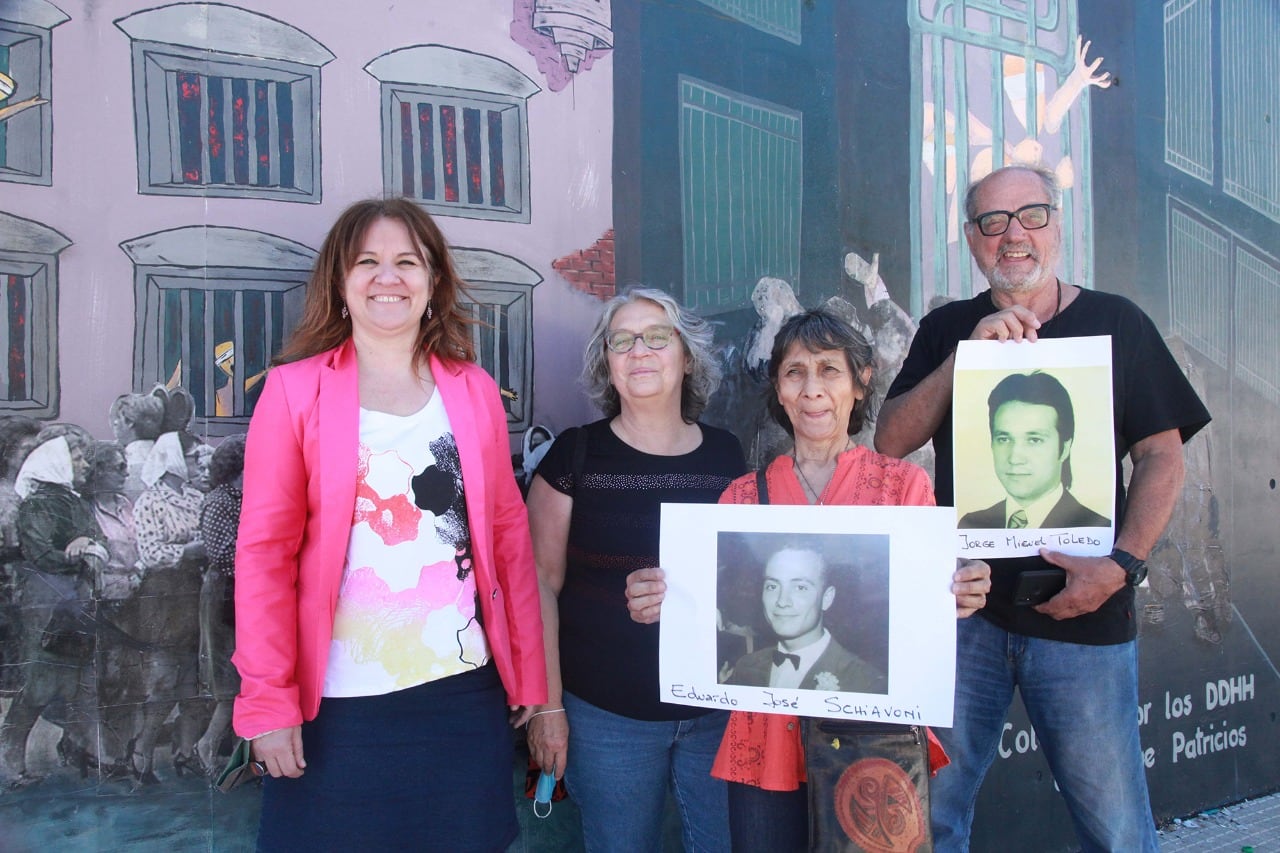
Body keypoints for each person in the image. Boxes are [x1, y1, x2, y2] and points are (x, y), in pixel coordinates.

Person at [875, 164, 1211, 852]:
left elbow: (1162, 456)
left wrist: (1120, 566)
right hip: (963, 612)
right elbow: (891, 440)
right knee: (930, 817)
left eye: (1030, 215)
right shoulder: (947, 328)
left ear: (1057, 224)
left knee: (1115, 826)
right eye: (992, 222)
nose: (1013, 235)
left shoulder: (1117, 321)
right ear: (971, 239)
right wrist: (964, 360)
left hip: (1086, 612)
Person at [232, 198, 545, 850]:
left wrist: (531, 677)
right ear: (341, 283)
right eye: (367, 261)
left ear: (433, 283)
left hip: (462, 699)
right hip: (338, 709)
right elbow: (264, 556)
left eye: (407, 261)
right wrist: (267, 702)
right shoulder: (294, 392)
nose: (387, 276)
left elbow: (510, 538)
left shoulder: (473, 390)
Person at [626, 309, 991, 852]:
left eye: (830, 370)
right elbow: (705, 617)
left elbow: (921, 615)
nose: (812, 389)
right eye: (795, 372)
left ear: (861, 383)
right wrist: (660, 600)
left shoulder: (903, 488)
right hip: (764, 741)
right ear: (778, 386)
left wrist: (957, 592)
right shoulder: (742, 499)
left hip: (870, 743)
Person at [523, 287, 747, 853]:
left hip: (714, 713)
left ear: (687, 356)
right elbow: (538, 586)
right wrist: (547, 706)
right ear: (607, 364)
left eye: (656, 336)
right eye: (621, 341)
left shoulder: (728, 455)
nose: (639, 351)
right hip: (606, 715)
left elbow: (747, 577)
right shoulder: (575, 455)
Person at [2, 427, 108, 785]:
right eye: (76, 458)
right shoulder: (36, 505)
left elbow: (98, 536)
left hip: (76, 600)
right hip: (45, 603)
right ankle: (11, 753)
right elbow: (41, 555)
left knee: (77, 680)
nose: (83, 465)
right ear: (57, 460)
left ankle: (77, 746)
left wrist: (89, 544)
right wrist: (78, 553)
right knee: (38, 684)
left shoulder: (75, 501)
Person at [724, 545, 886, 694]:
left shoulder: (867, 684)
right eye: (772, 586)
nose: (782, 601)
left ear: (826, 598)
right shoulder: (745, 668)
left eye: (800, 587)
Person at [959, 370, 1109, 529]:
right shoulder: (971, 525)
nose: (1015, 458)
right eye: (1004, 439)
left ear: (1065, 448)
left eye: (1034, 440)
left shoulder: (1097, 530)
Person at [195, 434, 246, 772]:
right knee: (230, 683)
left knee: (248, 682)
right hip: (226, 596)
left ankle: (242, 760)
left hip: (248, 593)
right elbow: (223, 553)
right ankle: (208, 749)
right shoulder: (220, 500)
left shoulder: (248, 497)